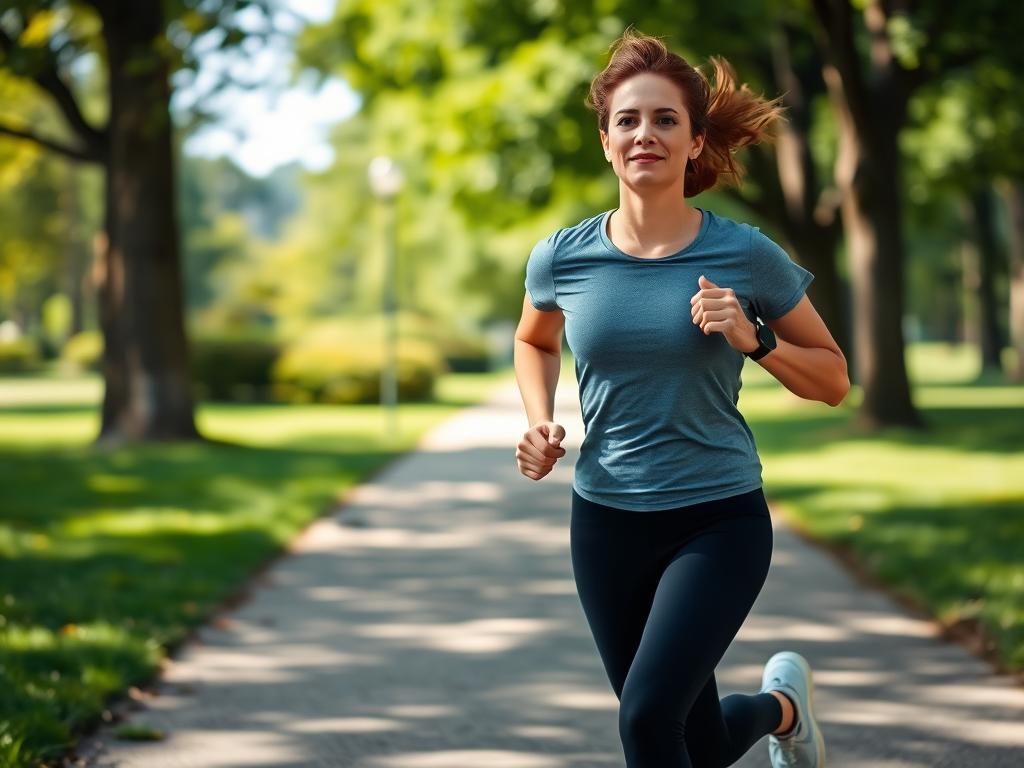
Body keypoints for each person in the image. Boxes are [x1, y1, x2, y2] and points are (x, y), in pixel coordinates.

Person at [512, 29, 849, 768]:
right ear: (605, 141)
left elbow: (833, 378)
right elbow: (534, 340)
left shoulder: (745, 254)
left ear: (695, 142)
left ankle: (780, 711)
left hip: (717, 520)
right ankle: (783, 710)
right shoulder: (562, 257)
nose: (646, 135)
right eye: (628, 120)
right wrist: (539, 420)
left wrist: (755, 339)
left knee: (645, 719)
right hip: (605, 523)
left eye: (666, 120)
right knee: (684, 736)